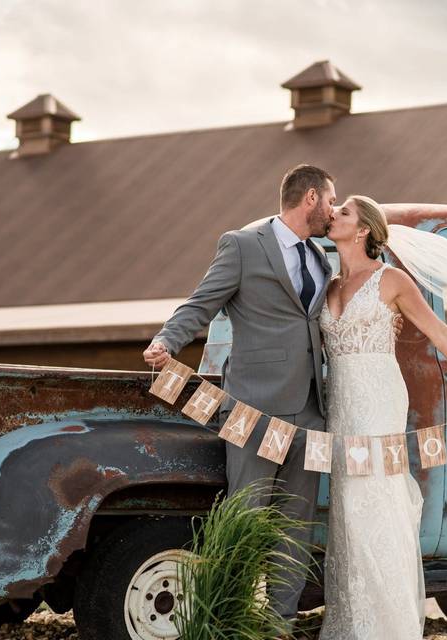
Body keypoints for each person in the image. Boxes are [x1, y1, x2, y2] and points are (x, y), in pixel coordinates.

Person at [143, 164, 335, 635]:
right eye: (331, 200)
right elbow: (202, 302)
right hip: (252, 409)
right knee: (245, 519)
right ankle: (224, 620)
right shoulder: (244, 245)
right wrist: (167, 341)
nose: (333, 210)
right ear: (309, 198)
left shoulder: (321, 257)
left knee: (296, 526)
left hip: (312, 412)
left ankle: (278, 624)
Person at [318, 195, 447, 639]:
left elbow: (439, 331)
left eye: (342, 211)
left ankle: (387, 626)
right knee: (346, 507)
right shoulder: (329, 282)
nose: (332, 214)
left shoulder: (391, 280)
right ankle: (351, 621)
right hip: (339, 399)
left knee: (375, 501)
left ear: (362, 230)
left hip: (378, 398)